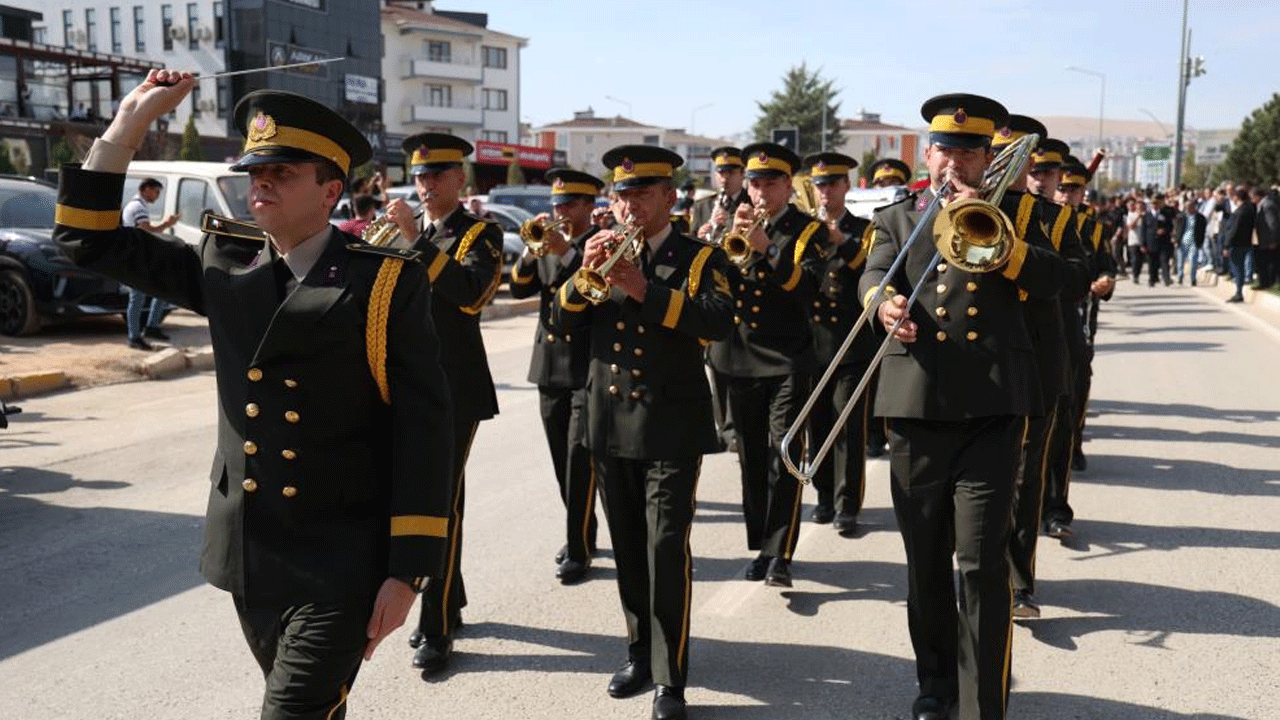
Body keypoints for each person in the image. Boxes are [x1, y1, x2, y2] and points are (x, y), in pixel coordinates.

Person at [54, 70, 456, 719]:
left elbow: (424, 431)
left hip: (342, 560)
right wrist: (127, 125)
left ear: (330, 190)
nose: (260, 182)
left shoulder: (382, 285)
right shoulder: (225, 263)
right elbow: (86, 239)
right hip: (251, 552)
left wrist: (409, 571)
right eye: (255, 170)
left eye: (283, 172)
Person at [861, 93, 1066, 720]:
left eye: (968, 152)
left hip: (992, 408)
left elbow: (1065, 277)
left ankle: (983, 702)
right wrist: (884, 306)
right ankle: (936, 685)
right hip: (917, 407)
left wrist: (1005, 249)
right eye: (943, 149)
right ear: (928, 154)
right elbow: (871, 277)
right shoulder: (900, 217)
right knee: (924, 559)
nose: (954, 162)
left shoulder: (1021, 215)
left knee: (979, 563)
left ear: (987, 158)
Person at [548, 144, 734, 720]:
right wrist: (585, 275)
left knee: (663, 547)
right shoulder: (594, 249)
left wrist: (642, 288)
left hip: (670, 424)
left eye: (642, 194)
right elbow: (561, 319)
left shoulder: (700, 256)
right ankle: (639, 653)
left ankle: (670, 678)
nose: (629, 204)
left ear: (670, 198)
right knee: (628, 546)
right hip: (608, 421)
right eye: (622, 193)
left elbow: (717, 320)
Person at [383, 133, 504, 677]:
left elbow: (470, 293)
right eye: (419, 177)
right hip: (406, 384)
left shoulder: (482, 233)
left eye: (436, 176)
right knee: (423, 493)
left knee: (437, 503)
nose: (426, 186)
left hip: (455, 388)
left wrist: (415, 241)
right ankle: (448, 596)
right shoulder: (416, 232)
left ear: (460, 179)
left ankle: (436, 628)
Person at [712, 141, 828, 588]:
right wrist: (725, 238)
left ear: (787, 186)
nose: (759, 193)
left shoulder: (807, 231)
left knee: (784, 452)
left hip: (787, 359)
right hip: (740, 356)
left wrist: (768, 250)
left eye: (768, 184)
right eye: (753, 183)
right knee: (752, 458)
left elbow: (810, 289)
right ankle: (761, 543)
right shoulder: (737, 223)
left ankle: (780, 551)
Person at [508, 168, 605, 584]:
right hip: (549, 364)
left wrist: (567, 254)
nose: (558, 211)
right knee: (558, 460)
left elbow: (592, 290)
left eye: (567, 204)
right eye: (555, 205)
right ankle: (581, 532)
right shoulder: (545, 244)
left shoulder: (595, 247)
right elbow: (518, 289)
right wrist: (531, 253)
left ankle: (579, 549)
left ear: (588, 207)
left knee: (578, 462)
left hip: (585, 364)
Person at [799, 151, 875, 534]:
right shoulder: (803, 231)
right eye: (819, 185)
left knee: (847, 428)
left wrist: (838, 238)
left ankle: (849, 504)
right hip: (813, 346)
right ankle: (824, 498)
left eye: (832, 184)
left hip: (851, 345)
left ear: (846, 186)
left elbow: (867, 266)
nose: (826, 191)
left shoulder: (864, 229)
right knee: (818, 427)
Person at [698, 147, 753, 452]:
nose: (725, 177)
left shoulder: (749, 205)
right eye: (721, 172)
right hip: (710, 294)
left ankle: (738, 426)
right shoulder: (704, 207)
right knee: (716, 364)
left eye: (731, 172)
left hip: (739, 294)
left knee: (737, 365)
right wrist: (705, 231)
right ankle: (724, 427)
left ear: (741, 174)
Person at [120, 177, 179, 349]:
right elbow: (147, 231)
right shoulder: (138, 207)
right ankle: (134, 337)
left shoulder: (138, 206)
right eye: (156, 191)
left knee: (160, 291)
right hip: (137, 259)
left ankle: (151, 327)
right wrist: (166, 224)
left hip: (142, 257)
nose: (157, 196)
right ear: (146, 189)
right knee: (137, 298)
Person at [1223, 186, 1256, 302]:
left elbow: (1234, 229)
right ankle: (1238, 291)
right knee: (1239, 267)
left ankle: (1238, 292)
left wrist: (1226, 245)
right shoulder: (1248, 208)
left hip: (1237, 243)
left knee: (1237, 267)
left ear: (1237, 197)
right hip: (1245, 242)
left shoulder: (1241, 211)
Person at [1142, 194, 1176, 287]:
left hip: (1163, 242)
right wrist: (1143, 244)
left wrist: (1165, 230)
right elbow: (1143, 230)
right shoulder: (1147, 215)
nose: (1155, 205)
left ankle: (1166, 279)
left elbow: (1170, 226)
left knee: (1164, 261)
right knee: (1152, 262)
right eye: (1153, 204)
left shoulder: (1165, 214)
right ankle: (1152, 279)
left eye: (1156, 203)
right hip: (1151, 242)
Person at [1173, 197, 1207, 285]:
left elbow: (1202, 231)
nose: (1188, 208)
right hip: (1182, 241)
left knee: (1193, 261)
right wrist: (1176, 240)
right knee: (1180, 261)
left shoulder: (1200, 218)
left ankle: (1193, 279)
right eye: (1187, 206)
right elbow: (1176, 229)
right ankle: (1180, 276)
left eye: (1191, 206)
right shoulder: (1180, 217)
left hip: (1194, 242)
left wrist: (1200, 242)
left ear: (1194, 207)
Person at [1251, 186, 1278, 289]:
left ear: (1257, 196)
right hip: (1262, 239)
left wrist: (1273, 240)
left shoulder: (1267, 205)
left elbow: (1272, 224)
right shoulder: (1261, 205)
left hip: (1268, 240)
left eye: (1253, 197)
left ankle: (1267, 283)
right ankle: (1264, 282)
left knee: (1268, 262)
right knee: (1262, 262)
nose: (1252, 200)